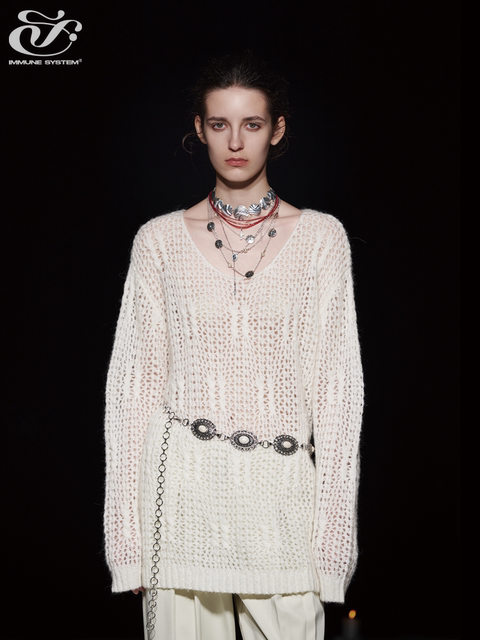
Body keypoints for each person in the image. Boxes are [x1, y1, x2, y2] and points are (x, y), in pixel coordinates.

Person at [104, 51, 364, 640]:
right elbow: (130, 394)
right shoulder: (158, 242)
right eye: (220, 124)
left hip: (283, 507)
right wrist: (127, 542)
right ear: (200, 130)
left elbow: (339, 395)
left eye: (252, 123)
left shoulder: (322, 240)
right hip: (178, 505)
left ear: (278, 129)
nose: (236, 142)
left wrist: (332, 547)